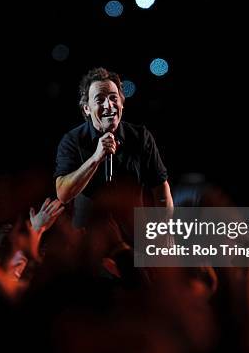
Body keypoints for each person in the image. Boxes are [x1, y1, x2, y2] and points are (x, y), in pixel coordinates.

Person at [54, 67, 173, 250]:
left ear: (122, 103)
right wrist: (96, 157)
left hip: (134, 241)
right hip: (89, 245)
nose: (109, 105)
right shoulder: (72, 141)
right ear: (87, 108)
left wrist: (164, 231)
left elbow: (161, 189)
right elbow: (63, 194)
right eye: (100, 100)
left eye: (113, 98)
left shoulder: (140, 137)